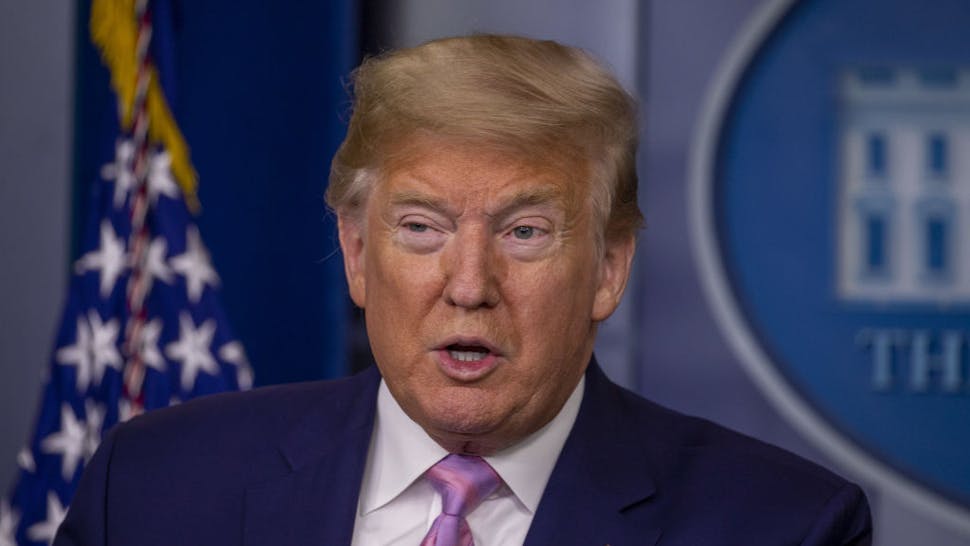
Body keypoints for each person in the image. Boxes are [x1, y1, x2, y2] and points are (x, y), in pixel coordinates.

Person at [55, 34, 871, 546]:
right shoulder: (153, 487)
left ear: (609, 268)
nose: (471, 286)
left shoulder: (781, 526)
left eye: (525, 232)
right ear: (356, 254)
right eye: (421, 227)